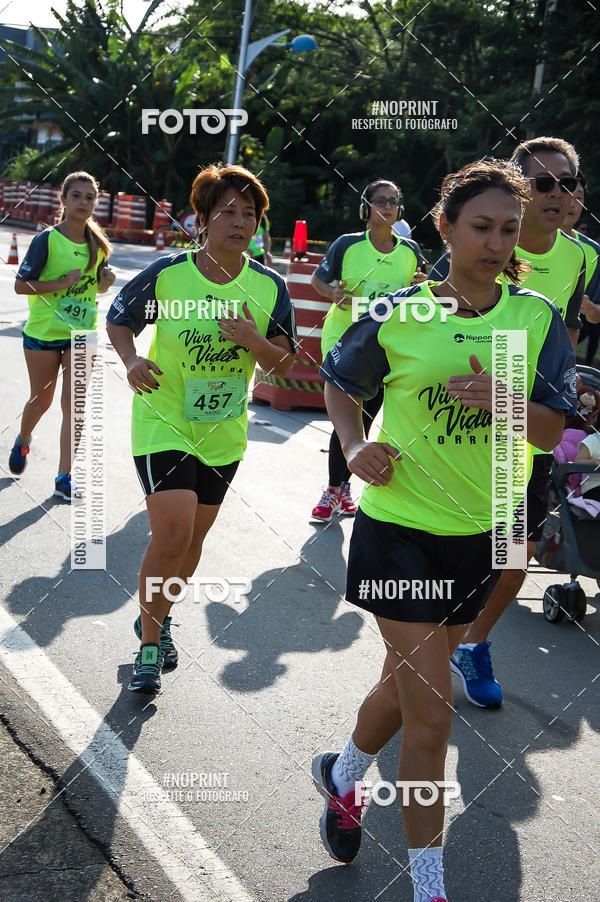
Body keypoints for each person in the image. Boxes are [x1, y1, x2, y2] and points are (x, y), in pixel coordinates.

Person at [312, 160, 576, 902]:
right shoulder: (401, 310)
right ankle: (429, 885)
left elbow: (554, 426)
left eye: (508, 230)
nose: (496, 243)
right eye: (481, 227)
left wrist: (503, 400)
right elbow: (339, 378)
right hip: (398, 529)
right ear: (446, 228)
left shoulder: (533, 318)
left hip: (482, 535)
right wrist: (356, 442)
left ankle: (343, 775)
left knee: (404, 684)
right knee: (434, 707)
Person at [106, 163, 296, 694]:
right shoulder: (168, 274)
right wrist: (131, 360)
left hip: (224, 431)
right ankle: (149, 645)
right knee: (171, 532)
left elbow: (284, 364)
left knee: (191, 542)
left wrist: (253, 341)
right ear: (202, 220)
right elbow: (119, 318)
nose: (239, 222)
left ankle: (158, 616)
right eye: (227, 213)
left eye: (249, 214)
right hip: (162, 419)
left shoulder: (269, 286)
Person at [432, 136, 586, 707]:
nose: (556, 193)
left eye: (566, 182)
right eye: (542, 182)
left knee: (513, 554)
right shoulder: (473, 234)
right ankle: (424, 648)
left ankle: (471, 642)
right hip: (459, 418)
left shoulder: (582, 255)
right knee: (459, 549)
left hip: (529, 423)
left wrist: (564, 396)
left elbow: (567, 331)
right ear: (519, 189)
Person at [310, 179, 426, 522]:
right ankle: (334, 490)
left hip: (389, 347)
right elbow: (319, 280)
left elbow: (422, 292)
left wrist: (421, 288)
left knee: (366, 417)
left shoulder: (410, 251)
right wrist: (332, 294)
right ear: (366, 208)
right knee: (349, 418)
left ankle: (342, 489)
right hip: (344, 342)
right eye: (380, 200)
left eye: (393, 201)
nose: (387, 206)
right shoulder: (346, 245)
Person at [8, 171, 115, 500]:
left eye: (90, 197)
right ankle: (23, 439)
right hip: (43, 332)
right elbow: (20, 285)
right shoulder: (47, 240)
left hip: (82, 334)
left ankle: (63, 478)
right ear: (63, 200)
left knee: (75, 405)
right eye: (77, 196)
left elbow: (93, 286)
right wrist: (60, 283)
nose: (84, 202)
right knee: (41, 401)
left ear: (95, 203)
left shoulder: (97, 245)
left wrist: (105, 283)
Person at [562, 172, 600, 362]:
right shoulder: (515, 242)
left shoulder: (593, 253)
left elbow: (597, 315)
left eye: (578, 197)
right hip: (511, 346)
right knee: (503, 393)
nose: (572, 203)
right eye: (566, 193)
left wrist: (591, 308)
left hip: (563, 354)